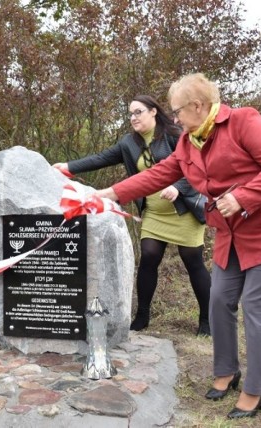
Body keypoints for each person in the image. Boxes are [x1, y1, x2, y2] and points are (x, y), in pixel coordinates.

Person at [94, 73, 261, 419]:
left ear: (198, 106)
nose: (175, 118)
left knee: (256, 311)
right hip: (232, 234)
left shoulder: (244, 122)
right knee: (218, 301)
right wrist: (110, 193)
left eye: (179, 111)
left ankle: (256, 388)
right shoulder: (187, 141)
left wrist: (242, 196)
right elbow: (159, 173)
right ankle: (226, 370)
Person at [53, 95, 212, 337]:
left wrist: (178, 186)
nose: (133, 118)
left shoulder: (175, 135)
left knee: (192, 261)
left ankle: (207, 320)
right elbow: (101, 158)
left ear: (153, 112)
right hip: (154, 213)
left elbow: (195, 164)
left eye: (138, 112)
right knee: (148, 257)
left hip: (184, 210)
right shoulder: (129, 143)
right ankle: (141, 316)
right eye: (130, 114)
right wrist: (68, 167)